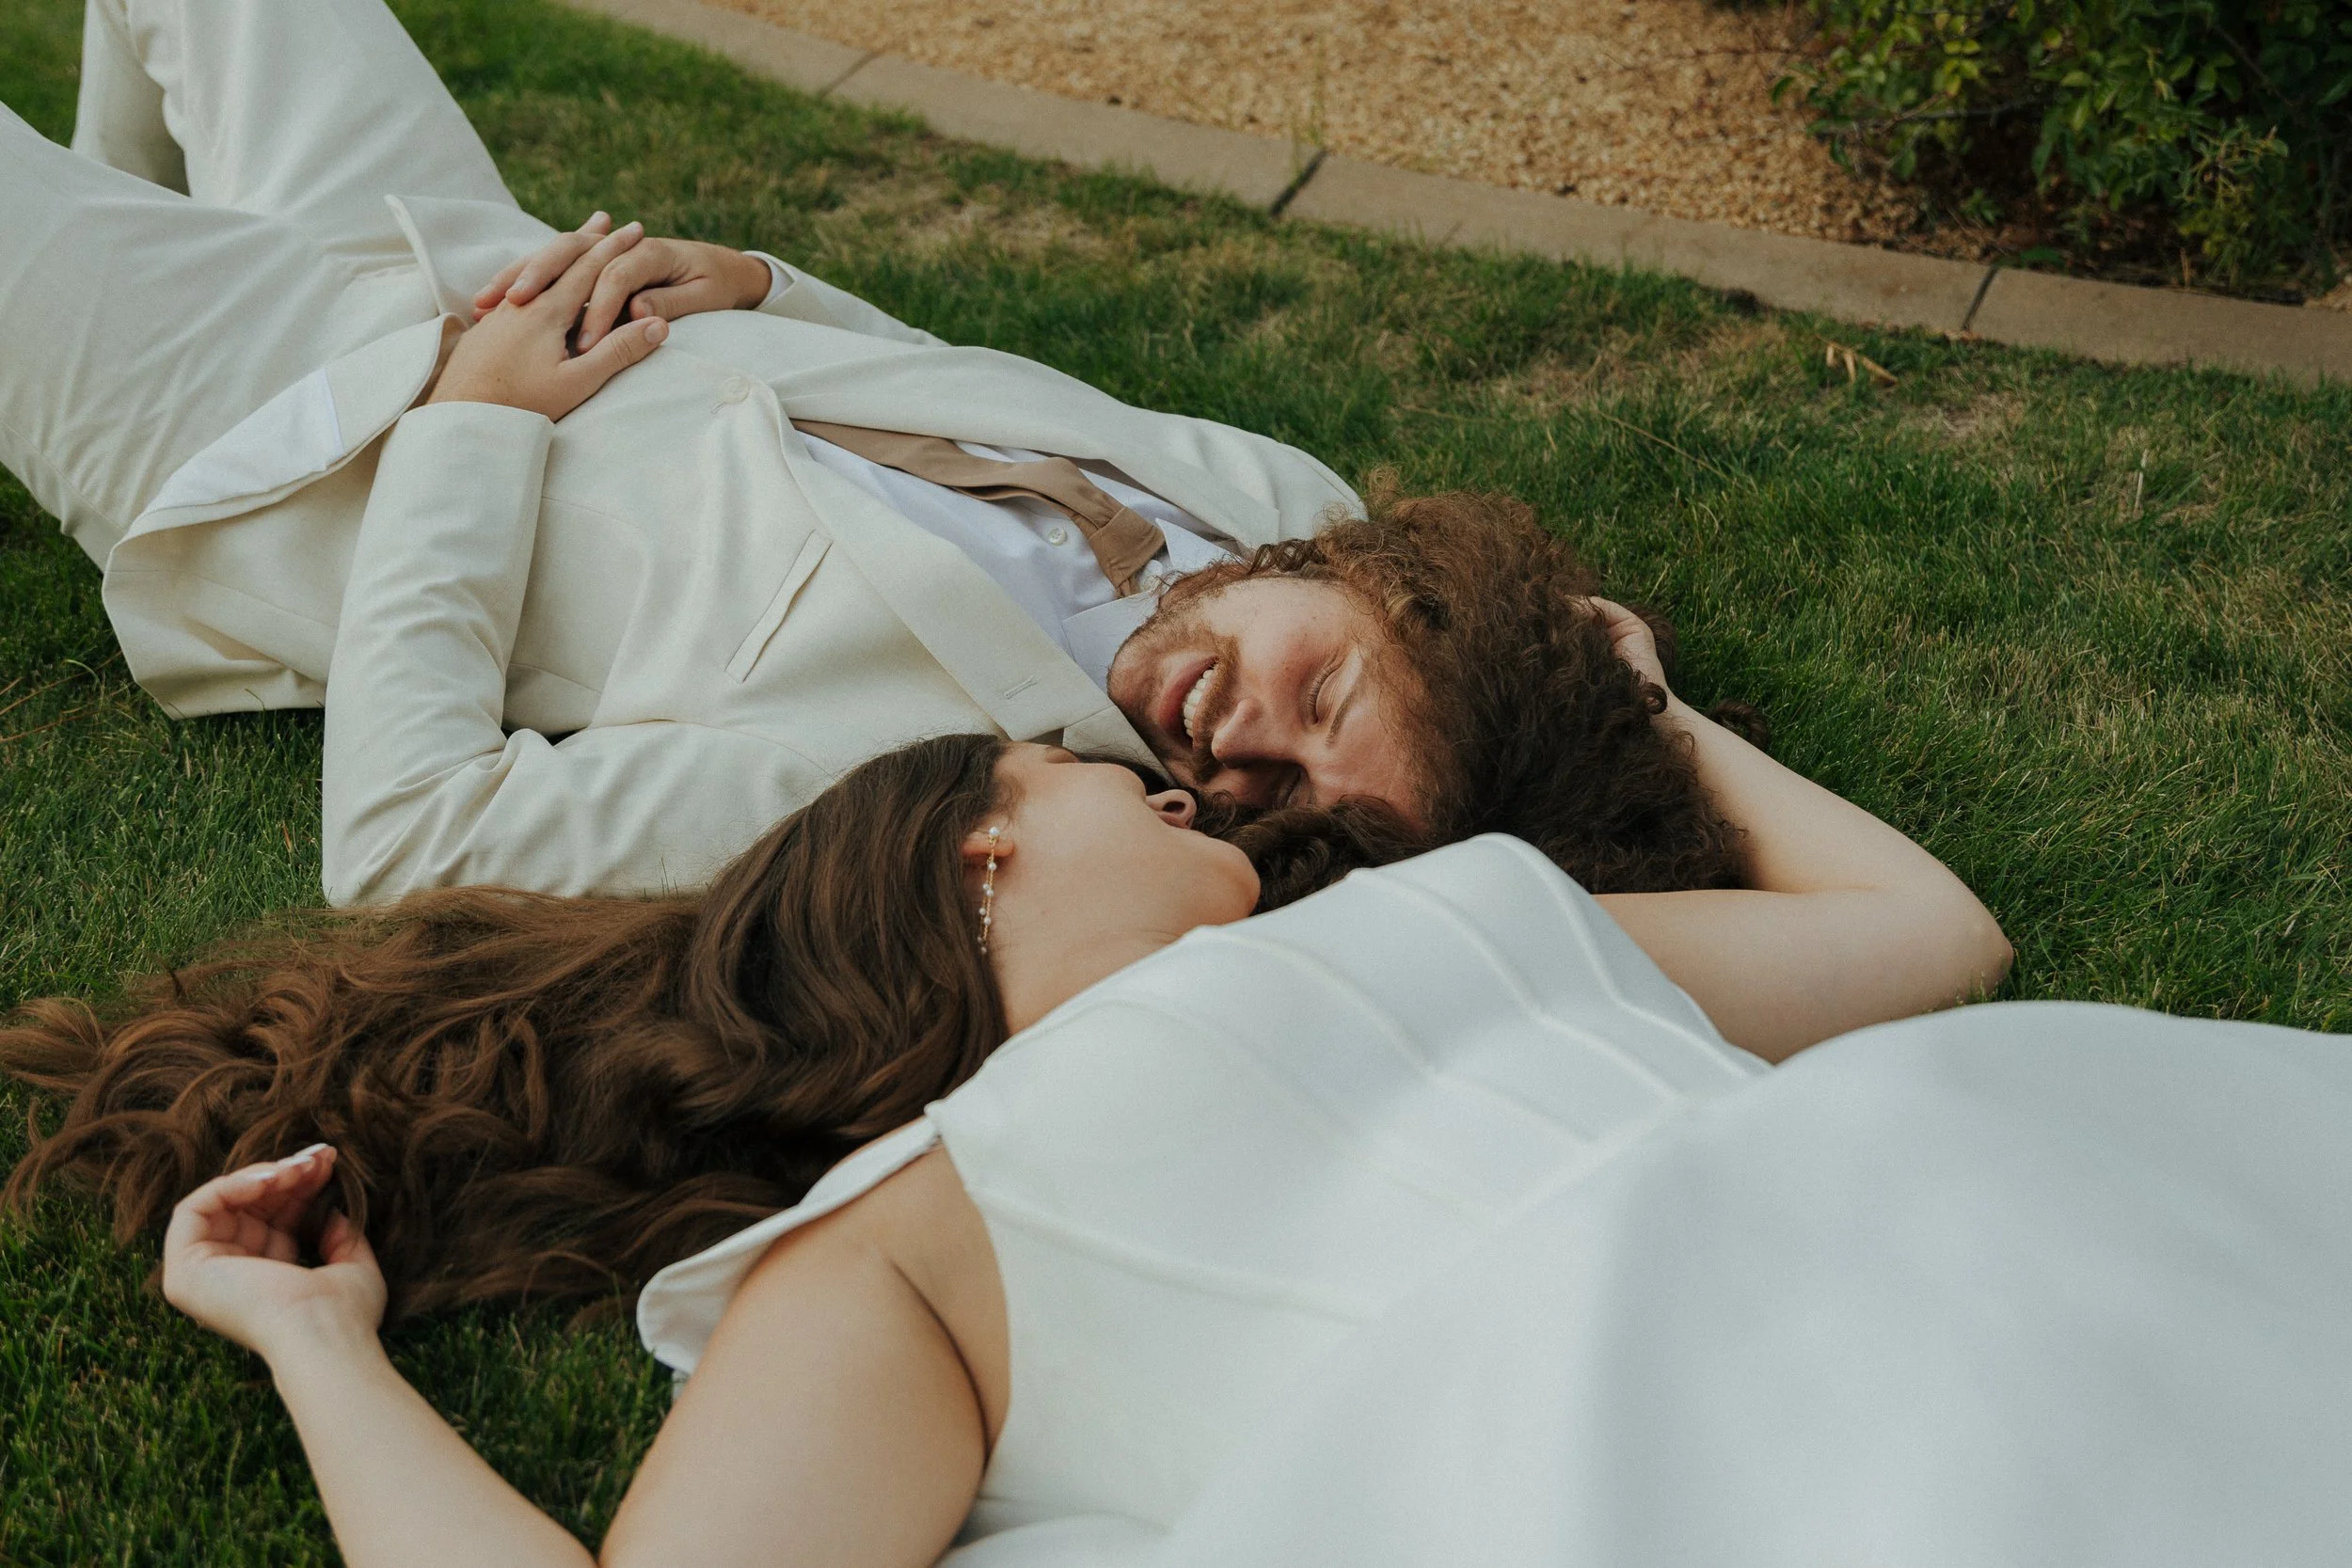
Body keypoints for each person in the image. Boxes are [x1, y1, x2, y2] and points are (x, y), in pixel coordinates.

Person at [6, 610, 2035, 1564]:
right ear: (981, 841)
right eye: (1090, 772)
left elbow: (1928, 938)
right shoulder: (905, 1233)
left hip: (1960, 1317)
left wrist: (1645, 701)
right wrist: (314, 1339)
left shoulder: (1464, 908)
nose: (1168, 781)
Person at [2, 0, 1747, 908]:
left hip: (290, 436)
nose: (1239, 754)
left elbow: (404, 841)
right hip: (488, 249)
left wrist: (469, 433)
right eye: (1324, 704)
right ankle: (110, 237)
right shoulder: (1285, 506)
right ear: (1384, 585)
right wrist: (770, 283)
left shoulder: (958, 794)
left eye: (1280, 811)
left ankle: (81, 298)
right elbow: (951, 413)